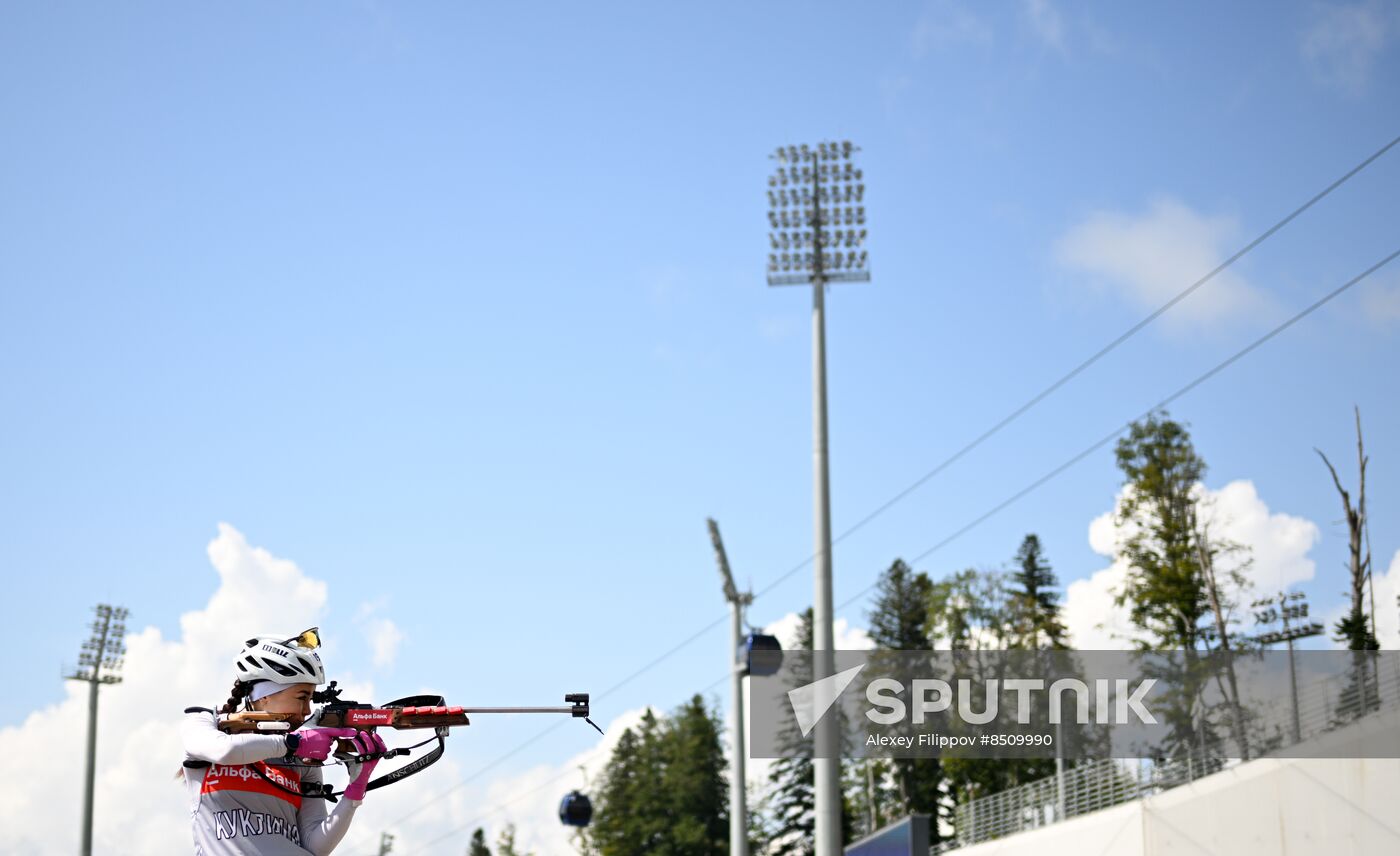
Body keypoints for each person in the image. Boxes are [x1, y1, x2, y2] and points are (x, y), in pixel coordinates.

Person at [180, 628, 386, 855]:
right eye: (301, 697)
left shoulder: (301, 758)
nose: (307, 710)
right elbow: (226, 751)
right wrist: (292, 743)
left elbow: (315, 846)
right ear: (265, 695)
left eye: (311, 698)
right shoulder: (203, 723)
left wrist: (355, 789)